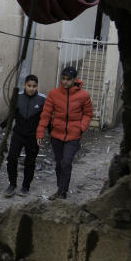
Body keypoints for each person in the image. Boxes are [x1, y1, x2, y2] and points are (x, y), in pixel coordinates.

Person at [36, 66, 94, 200]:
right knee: (58, 163)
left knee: (66, 162)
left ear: (74, 80)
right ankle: (60, 189)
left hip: (73, 135)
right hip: (57, 135)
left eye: (68, 79)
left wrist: (81, 128)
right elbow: (46, 115)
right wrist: (40, 133)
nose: (65, 82)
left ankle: (62, 192)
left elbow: (88, 114)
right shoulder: (54, 94)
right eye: (63, 79)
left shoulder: (83, 95)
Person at [0, 74, 46, 197]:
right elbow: (12, 115)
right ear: (24, 85)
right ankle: (12, 184)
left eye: (34, 86)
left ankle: (25, 187)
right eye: (29, 86)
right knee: (11, 157)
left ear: (37, 86)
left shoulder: (43, 99)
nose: (31, 88)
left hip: (33, 136)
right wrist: (2, 125)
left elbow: (46, 119)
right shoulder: (17, 97)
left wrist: (48, 134)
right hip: (18, 134)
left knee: (30, 161)